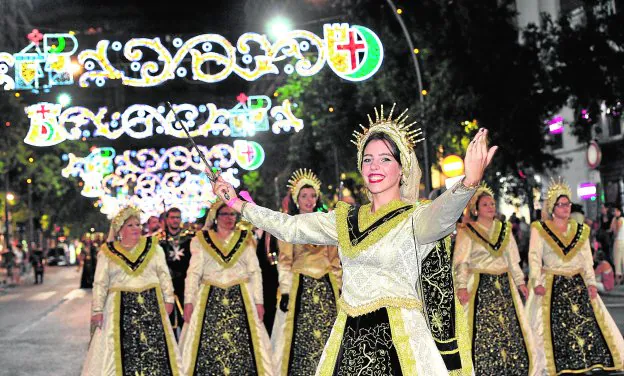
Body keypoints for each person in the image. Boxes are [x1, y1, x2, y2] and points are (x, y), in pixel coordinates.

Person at [211, 104, 496, 375]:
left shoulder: (416, 220)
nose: (375, 166)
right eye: (368, 159)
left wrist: (468, 183)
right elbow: (289, 227)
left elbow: (443, 214)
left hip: (402, 343)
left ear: (402, 168)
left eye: (386, 159)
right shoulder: (345, 221)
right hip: (350, 339)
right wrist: (238, 203)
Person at [525, 179, 624, 375]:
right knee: (554, 329)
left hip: (577, 284)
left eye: (568, 204)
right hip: (552, 282)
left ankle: (585, 361)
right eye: (561, 204)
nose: (566, 208)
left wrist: (590, 282)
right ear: (553, 207)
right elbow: (534, 257)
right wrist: (536, 282)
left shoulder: (581, 230)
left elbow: (586, 259)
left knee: (584, 325)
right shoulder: (540, 229)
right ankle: (559, 363)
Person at [81, 206, 182, 376]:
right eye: (130, 225)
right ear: (120, 230)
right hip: (118, 310)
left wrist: (169, 299)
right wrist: (97, 310)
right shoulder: (107, 253)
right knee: (118, 353)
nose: (136, 228)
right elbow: (100, 283)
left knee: (152, 350)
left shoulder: (153, 247)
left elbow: (164, 275)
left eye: (137, 224)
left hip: (151, 306)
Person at [180, 200, 273, 375]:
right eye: (225, 214)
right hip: (208, 298)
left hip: (241, 298)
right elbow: (193, 274)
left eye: (232, 214)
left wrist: (259, 302)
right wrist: (189, 301)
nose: (229, 218)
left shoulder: (246, 239)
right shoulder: (201, 240)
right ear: (216, 217)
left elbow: (254, 272)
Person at [453, 184, 537, 375]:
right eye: (485, 205)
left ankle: (511, 366)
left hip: (505, 286)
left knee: (510, 327)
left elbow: (513, 260)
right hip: (479, 286)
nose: (491, 207)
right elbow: (462, 263)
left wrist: (520, 282)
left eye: (492, 204)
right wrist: (461, 287)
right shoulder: (467, 231)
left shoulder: (504, 229)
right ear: (476, 209)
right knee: (481, 330)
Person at [272, 169, 342, 375]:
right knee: (299, 336)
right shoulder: (289, 225)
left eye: (313, 195)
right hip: (299, 287)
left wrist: (339, 287)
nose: (309, 200)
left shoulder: (326, 222)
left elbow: (334, 260)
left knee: (329, 336)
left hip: (326, 287)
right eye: (304, 196)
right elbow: (284, 262)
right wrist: (285, 291)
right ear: (296, 199)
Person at [156, 207, 195, 338]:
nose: (175, 220)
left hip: (185, 283)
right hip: (166, 285)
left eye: (178, 217)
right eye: (172, 217)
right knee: (169, 321)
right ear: (167, 219)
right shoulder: (158, 240)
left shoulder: (189, 238)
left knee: (187, 319)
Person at [610, 206, 624, 285]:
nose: (614, 213)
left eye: (615, 211)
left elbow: (614, 231)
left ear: (619, 211)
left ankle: (617, 279)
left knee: (617, 259)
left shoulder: (618, 220)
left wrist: (614, 221)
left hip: (618, 241)